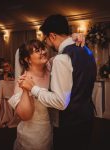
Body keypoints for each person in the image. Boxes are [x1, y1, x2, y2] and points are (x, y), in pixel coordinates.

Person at [18, 14, 97, 150]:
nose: (46, 44)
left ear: (52, 36)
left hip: (70, 126)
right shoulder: (87, 50)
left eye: (46, 39)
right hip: (87, 119)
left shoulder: (62, 58)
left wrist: (34, 89)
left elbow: (60, 102)